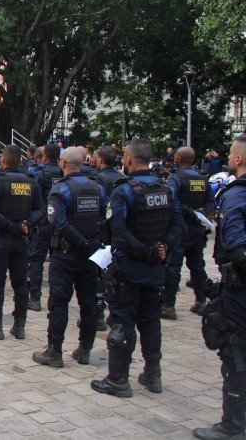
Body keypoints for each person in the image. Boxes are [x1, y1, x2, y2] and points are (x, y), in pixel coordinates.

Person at [91, 138, 184, 398]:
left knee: (122, 320)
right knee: (150, 320)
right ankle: (153, 375)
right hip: (155, 266)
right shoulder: (166, 189)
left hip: (130, 265)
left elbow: (117, 230)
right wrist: (163, 247)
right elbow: (179, 225)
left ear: (129, 159)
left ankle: (118, 379)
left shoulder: (124, 190)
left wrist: (148, 251)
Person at [32, 147, 107, 368]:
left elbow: (59, 223)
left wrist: (82, 242)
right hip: (90, 254)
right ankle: (85, 349)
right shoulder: (98, 188)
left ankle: (54, 351)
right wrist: (91, 243)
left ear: (63, 163)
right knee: (88, 302)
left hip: (66, 254)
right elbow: (104, 219)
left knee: (59, 303)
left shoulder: (60, 190)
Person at [192, 135, 246, 440]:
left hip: (240, 290)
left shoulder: (236, 196)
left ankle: (232, 425)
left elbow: (237, 249)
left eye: (231, 153)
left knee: (236, 350)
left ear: (238, 160)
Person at [0, 145, 43, 340]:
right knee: (20, 283)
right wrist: (26, 224)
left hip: (1, 238)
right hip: (21, 239)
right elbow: (41, 210)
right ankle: (19, 327)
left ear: (3, 160)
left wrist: (13, 226)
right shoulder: (32, 182)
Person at [162, 146, 215, 319]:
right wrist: (201, 215)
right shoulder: (203, 179)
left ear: (178, 159)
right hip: (197, 228)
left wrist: (190, 213)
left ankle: (168, 305)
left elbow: (171, 200)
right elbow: (211, 203)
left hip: (180, 227)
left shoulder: (176, 179)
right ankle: (201, 301)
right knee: (197, 265)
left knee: (173, 266)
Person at [27, 144, 63, 311]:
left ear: (44, 157)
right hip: (61, 222)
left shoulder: (39, 174)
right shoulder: (64, 173)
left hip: (42, 221)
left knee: (36, 259)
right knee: (58, 260)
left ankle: (35, 297)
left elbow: (34, 199)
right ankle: (57, 297)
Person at [94, 146, 127, 327]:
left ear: (101, 160)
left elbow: (100, 206)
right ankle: (115, 313)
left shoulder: (99, 178)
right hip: (120, 232)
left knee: (100, 272)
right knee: (117, 271)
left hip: (104, 231)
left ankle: (98, 313)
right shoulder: (123, 178)